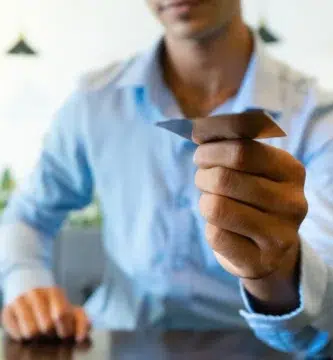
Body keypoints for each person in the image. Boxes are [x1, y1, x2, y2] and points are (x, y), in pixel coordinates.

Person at [0, 0, 332, 356]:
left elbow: (323, 299)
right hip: (108, 341)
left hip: (256, 347)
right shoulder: (93, 104)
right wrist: (26, 283)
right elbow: (28, 216)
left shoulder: (316, 120)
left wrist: (277, 271)